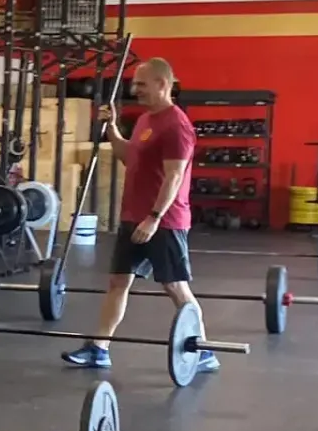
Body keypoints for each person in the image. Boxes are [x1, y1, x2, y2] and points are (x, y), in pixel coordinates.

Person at [60, 58, 219, 375]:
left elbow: (174, 177)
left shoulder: (177, 126)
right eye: (134, 84)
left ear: (163, 84)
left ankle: (203, 351)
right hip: (134, 215)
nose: (135, 89)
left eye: (141, 84)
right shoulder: (147, 119)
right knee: (118, 281)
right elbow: (128, 157)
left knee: (174, 286)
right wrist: (111, 128)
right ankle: (99, 348)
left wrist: (154, 218)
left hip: (164, 221)